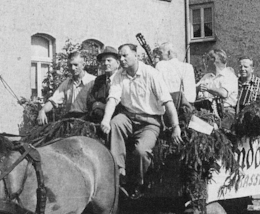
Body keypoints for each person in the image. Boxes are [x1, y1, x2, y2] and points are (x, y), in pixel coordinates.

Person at [100, 44, 182, 199]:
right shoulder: (119, 75)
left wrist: (176, 127)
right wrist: (105, 120)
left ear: (136, 55)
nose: (122, 60)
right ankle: (119, 171)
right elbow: (113, 99)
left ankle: (139, 183)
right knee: (115, 123)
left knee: (141, 152)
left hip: (150, 122)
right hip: (128, 117)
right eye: (120, 56)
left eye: (125, 56)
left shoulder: (151, 74)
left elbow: (167, 102)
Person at [37, 51, 95, 125]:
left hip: (88, 121)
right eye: (70, 65)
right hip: (70, 120)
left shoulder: (93, 81)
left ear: (83, 65)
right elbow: (53, 101)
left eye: (75, 65)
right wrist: (42, 111)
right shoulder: (67, 83)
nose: (73, 68)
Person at [195, 49, 238, 119]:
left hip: (225, 112)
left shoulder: (229, 76)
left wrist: (208, 88)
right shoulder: (207, 76)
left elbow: (224, 93)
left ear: (214, 61)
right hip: (206, 110)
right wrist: (197, 88)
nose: (205, 63)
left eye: (207, 60)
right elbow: (192, 91)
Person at [86, 46, 121, 123]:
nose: (105, 63)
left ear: (118, 63)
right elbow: (91, 99)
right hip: (98, 117)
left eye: (109, 60)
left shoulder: (122, 79)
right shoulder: (99, 80)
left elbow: (125, 104)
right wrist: (96, 105)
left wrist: (103, 106)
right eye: (103, 61)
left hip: (117, 119)